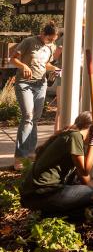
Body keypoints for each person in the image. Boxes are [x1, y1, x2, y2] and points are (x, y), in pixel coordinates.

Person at [20, 111, 93, 219]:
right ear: (91, 129)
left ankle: (48, 214)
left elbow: (84, 177)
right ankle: (50, 216)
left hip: (34, 195)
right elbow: (85, 170)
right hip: (45, 194)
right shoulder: (75, 136)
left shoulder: (70, 135)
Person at [12, 22, 60, 171]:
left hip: (41, 85)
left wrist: (56, 69)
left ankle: (31, 153)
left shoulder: (51, 47)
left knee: (35, 118)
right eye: (49, 39)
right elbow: (12, 59)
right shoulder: (29, 42)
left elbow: (45, 65)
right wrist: (24, 66)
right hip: (24, 84)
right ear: (43, 34)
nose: (52, 42)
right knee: (28, 116)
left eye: (54, 39)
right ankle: (20, 157)